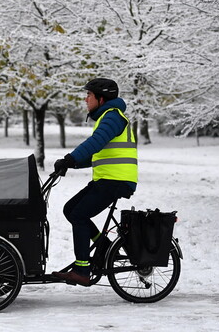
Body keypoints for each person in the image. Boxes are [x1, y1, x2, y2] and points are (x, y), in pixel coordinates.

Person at [52, 78, 138, 286]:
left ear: (101, 99)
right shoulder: (108, 117)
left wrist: (71, 157)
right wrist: (70, 165)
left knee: (80, 215)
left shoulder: (112, 117)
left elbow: (95, 143)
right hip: (107, 179)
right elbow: (98, 155)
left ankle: (82, 269)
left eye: (88, 95)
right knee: (70, 209)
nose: (85, 99)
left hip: (115, 180)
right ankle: (105, 248)